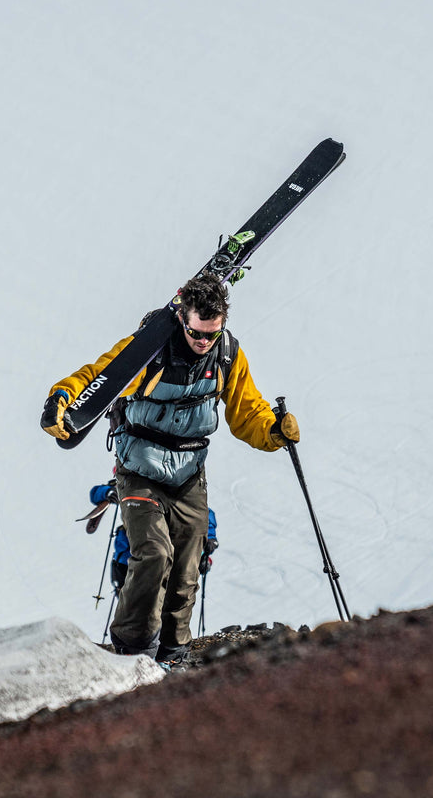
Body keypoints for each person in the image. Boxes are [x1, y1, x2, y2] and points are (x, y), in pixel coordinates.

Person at [42, 273, 299, 668]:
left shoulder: (227, 354)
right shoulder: (148, 350)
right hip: (139, 470)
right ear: (182, 319)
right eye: (198, 333)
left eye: (213, 334)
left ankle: (172, 654)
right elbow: (98, 377)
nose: (204, 342)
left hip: (189, 475)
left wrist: (273, 430)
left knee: (187, 565)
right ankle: (133, 650)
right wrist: (63, 399)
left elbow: (247, 411)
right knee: (155, 554)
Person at [89, 480, 219, 594]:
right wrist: (108, 492)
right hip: (131, 559)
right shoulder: (128, 487)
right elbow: (96, 493)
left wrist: (208, 542)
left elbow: (203, 514)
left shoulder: (159, 489)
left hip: (150, 560)